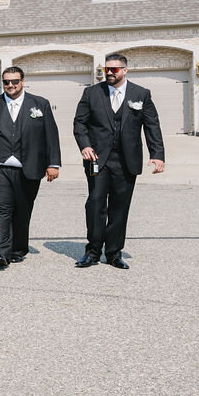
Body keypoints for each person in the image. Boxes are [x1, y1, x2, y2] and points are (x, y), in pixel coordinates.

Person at [73, 53, 165, 269]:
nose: (110, 73)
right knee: (95, 204)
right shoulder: (91, 93)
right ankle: (92, 252)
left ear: (125, 70)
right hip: (97, 159)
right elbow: (79, 123)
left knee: (119, 208)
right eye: (107, 69)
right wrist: (85, 145)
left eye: (114, 69)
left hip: (127, 161)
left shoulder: (141, 94)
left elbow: (152, 126)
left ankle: (114, 253)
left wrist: (157, 154)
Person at [0, 66, 60, 269]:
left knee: (22, 209)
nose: (10, 85)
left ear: (23, 81)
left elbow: (51, 136)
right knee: (1, 209)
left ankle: (18, 249)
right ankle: (0, 252)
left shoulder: (40, 104)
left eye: (14, 81)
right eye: (6, 82)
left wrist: (53, 164)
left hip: (28, 168)